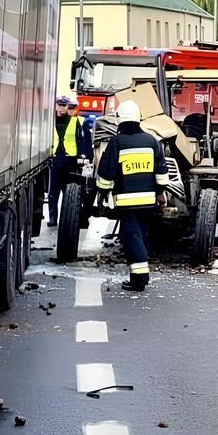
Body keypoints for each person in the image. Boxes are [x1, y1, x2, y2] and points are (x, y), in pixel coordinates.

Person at [95, 100, 170, 291]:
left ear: (119, 119)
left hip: (127, 203)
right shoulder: (151, 141)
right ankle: (138, 277)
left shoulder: (117, 142)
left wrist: (103, 193)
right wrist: (160, 194)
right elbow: (161, 173)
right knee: (141, 236)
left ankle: (139, 279)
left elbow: (106, 172)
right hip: (148, 202)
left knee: (131, 239)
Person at [48, 96, 90, 228]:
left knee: (69, 192)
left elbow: (81, 139)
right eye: (59, 105)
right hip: (55, 159)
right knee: (53, 193)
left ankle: (66, 218)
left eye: (64, 105)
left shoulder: (74, 121)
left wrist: (83, 155)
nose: (62, 108)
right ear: (55, 106)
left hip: (70, 160)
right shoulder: (49, 121)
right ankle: (52, 218)